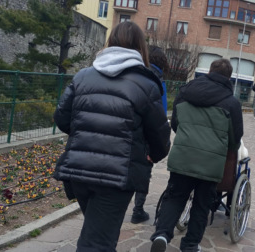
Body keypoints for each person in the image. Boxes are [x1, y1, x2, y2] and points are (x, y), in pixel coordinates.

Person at [53, 22, 171, 252]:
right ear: (140, 47)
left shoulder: (83, 76)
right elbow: (159, 135)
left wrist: (86, 135)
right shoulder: (146, 84)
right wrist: (152, 155)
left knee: (96, 233)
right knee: (97, 243)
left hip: (79, 171)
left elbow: (61, 117)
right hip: (117, 176)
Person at [150, 59, 243, 252]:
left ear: (209, 72)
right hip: (211, 162)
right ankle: (190, 245)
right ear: (228, 77)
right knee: (202, 204)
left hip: (183, 156)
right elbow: (235, 138)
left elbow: (175, 123)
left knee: (174, 196)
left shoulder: (184, 93)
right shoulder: (232, 103)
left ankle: (162, 234)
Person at [130, 46, 170, 224]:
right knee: (144, 170)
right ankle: (138, 210)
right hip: (145, 135)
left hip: (127, 128)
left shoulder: (133, 73)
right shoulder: (158, 82)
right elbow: (160, 115)